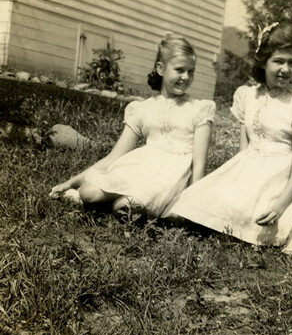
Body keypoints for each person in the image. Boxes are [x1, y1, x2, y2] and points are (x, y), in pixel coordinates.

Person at [162, 22, 292, 254]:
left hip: (279, 178)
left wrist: (278, 207)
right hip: (247, 169)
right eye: (278, 61)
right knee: (193, 205)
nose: (286, 69)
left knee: (257, 223)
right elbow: (242, 152)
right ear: (264, 62)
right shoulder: (248, 96)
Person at [49, 33, 216, 218]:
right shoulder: (143, 108)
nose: (186, 77)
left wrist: (192, 204)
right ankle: (96, 199)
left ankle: (117, 205)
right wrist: (71, 183)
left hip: (170, 178)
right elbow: (114, 157)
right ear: (161, 68)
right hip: (141, 168)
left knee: (126, 208)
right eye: (180, 70)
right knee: (88, 192)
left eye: (191, 71)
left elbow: (200, 165)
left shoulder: (200, 109)